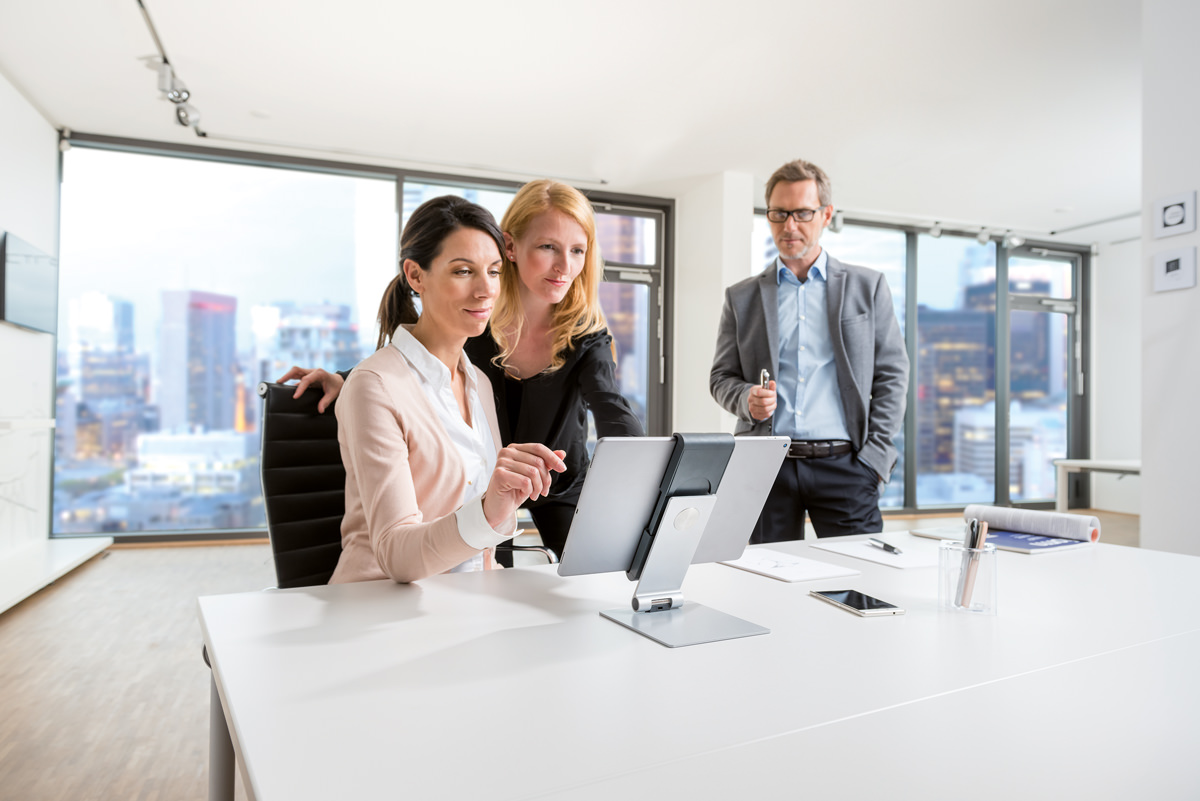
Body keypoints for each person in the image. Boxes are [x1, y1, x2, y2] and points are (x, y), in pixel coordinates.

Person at [281, 180, 642, 564]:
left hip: (554, 478)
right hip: (489, 484)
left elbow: (610, 405)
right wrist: (348, 378)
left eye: (577, 250)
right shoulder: (475, 323)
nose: (564, 266)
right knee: (484, 547)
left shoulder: (577, 338)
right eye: (548, 246)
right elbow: (415, 363)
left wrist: (642, 467)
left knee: (594, 568)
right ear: (511, 247)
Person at [328, 195, 565, 584]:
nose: (485, 290)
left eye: (493, 271)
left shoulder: (480, 385)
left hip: (470, 599)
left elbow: (481, 541)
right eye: (462, 272)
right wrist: (490, 508)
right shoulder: (375, 386)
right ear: (416, 275)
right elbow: (397, 555)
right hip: (380, 609)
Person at [709, 158, 908, 541]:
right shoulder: (743, 297)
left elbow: (892, 376)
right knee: (768, 586)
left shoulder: (868, 288)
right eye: (779, 213)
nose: (789, 226)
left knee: (861, 585)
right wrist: (745, 398)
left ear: (826, 215)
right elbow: (721, 378)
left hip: (849, 466)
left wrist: (875, 460)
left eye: (802, 213)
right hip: (765, 467)